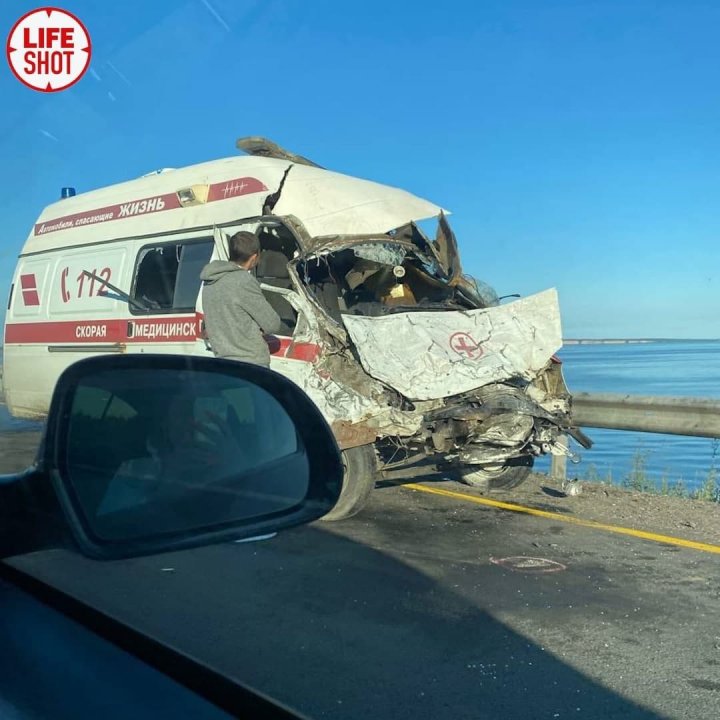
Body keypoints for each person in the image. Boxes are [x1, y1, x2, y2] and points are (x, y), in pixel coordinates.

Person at [200, 231, 282, 367]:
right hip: (251, 363)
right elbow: (272, 323)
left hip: (223, 362)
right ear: (254, 257)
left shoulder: (209, 280)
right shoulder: (243, 281)